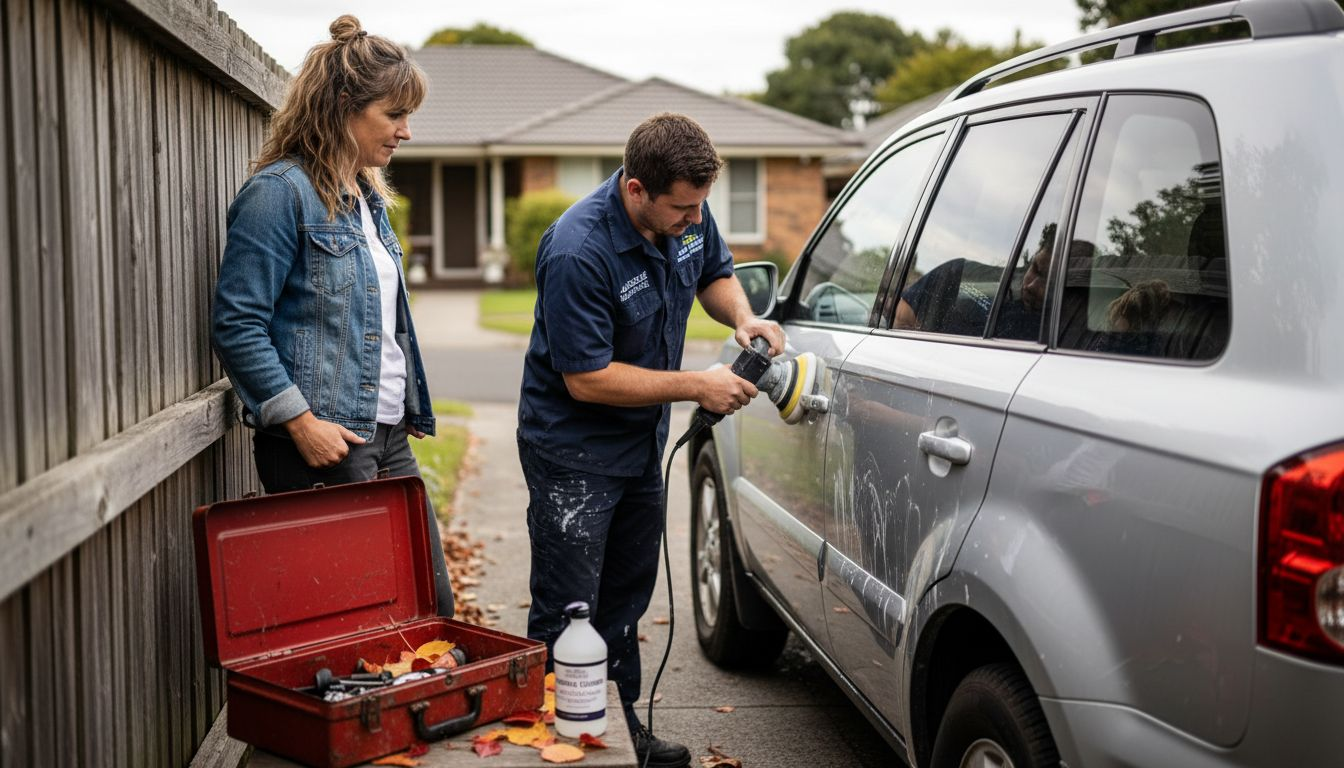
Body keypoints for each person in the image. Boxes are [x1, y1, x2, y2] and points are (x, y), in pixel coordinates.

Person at [517, 113, 784, 768]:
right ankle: (555, 740)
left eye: (700, 207)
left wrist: (746, 318)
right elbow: (585, 379)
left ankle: (620, 731)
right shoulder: (578, 250)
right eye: (682, 208)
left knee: (627, 594)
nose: (694, 219)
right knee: (569, 603)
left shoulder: (688, 211)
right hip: (572, 452)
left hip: (639, 443)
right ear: (636, 189)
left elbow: (712, 274)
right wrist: (698, 384)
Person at [210, 15, 452, 616]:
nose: (406, 132)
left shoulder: (366, 199)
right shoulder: (279, 194)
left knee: (428, 608)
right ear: (344, 105)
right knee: (361, 628)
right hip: (327, 445)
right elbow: (237, 322)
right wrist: (300, 422)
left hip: (388, 434)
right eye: (393, 115)